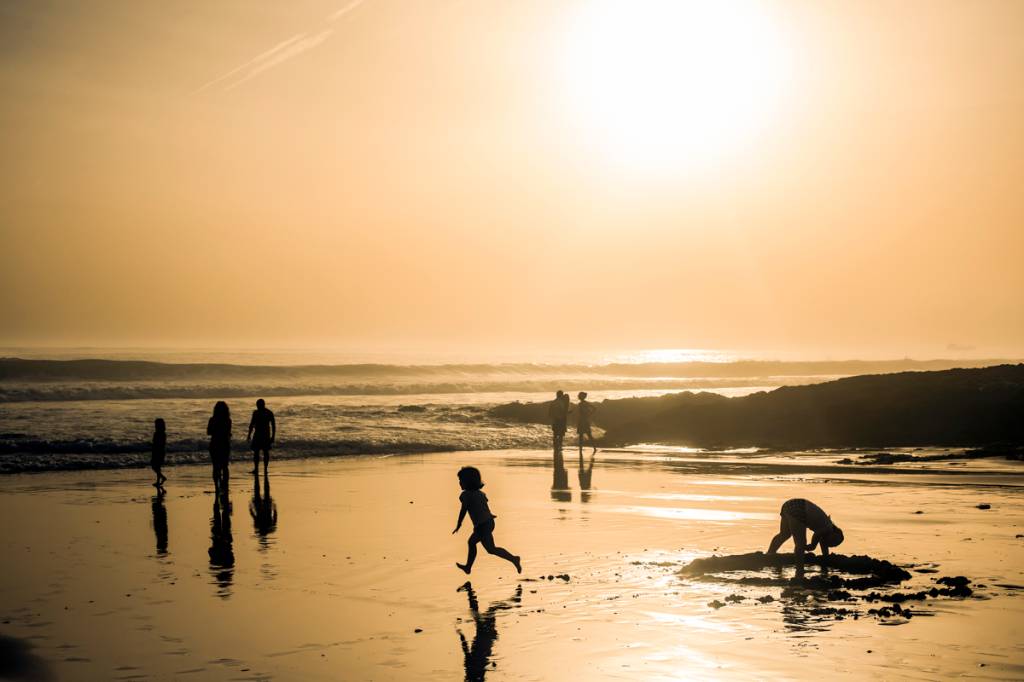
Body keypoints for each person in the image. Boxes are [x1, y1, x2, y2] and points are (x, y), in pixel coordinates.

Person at [452, 466, 522, 575]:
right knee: (491, 549)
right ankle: (514, 559)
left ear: (468, 482)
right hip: (488, 522)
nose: (459, 483)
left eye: (461, 481)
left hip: (482, 525)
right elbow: (484, 507)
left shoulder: (466, 495)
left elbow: (463, 511)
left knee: (471, 543)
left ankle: (468, 567)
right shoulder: (481, 494)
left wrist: (459, 524)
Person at [766, 498, 845, 574]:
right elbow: (817, 534)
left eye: (834, 544)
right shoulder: (829, 527)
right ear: (834, 531)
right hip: (799, 509)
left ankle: (769, 554)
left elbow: (823, 544)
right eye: (834, 539)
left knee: (784, 534)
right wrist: (813, 545)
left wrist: (826, 558)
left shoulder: (825, 528)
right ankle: (800, 570)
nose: (832, 542)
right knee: (800, 542)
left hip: (789, 505)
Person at [207, 401, 232, 493]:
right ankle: (225, 485)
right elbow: (228, 433)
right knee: (225, 466)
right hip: (225, 444)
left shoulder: (212, 419)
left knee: (215, 467)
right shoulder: (228, 420)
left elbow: (208, 432)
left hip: (214, 444)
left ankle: (216, 487)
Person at [246, 399, 276, 474]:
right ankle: (262, 469)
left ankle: (261, 469)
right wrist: (272, 436)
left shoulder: (258, 413)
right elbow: (252, 424)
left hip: (260, 435)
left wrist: (249, 435)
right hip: (263, 435)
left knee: (260, 452)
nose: (258, 406)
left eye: (258, 405)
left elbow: (251, 425)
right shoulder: (268, 412)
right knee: (262, 452)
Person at [547, 390, 569, 455]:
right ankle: (559, 447)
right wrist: (569, 412)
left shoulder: (553, 402)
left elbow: (550, 413)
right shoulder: (561, 403)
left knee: (555, 434)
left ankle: (555, 446)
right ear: (561, 395)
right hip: (561, 420)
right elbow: (563, 411)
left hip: (555, 420)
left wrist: (553, 418)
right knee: (561, 434)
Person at [151, 418, 167, 488]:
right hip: (161, 451)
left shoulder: (157, 433)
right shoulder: (163, 434)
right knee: (157, 467)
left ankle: (162, 478)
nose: (155, 426)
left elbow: (156, 443)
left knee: (154, 466)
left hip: (157, 451)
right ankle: (159, 480)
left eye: (156, 425)